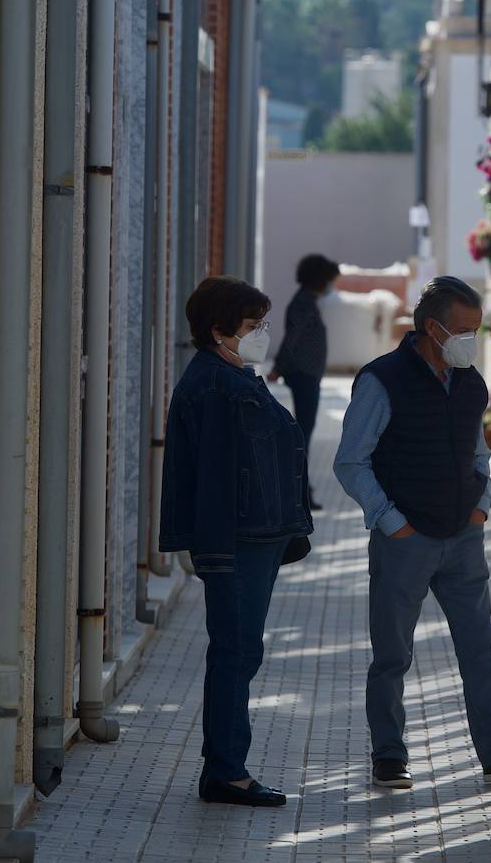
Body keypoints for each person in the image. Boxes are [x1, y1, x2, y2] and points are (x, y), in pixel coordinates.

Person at [333, 275, 491, 790]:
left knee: (481, 649)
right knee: (392, 654)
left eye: (476, 330)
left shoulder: (469, 381)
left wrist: (482, 506)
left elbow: (478, 452)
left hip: (462, 538)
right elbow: (350, 461)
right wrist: (392, 522)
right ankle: (388, 754)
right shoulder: (382, 380)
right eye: (464, 330)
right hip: (406, 540)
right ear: (432, 328)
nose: (472, 340)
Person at [159, 276, 314, 808]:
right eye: (252, 326)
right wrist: (216, 554)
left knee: (242, 650)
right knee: (236, 651)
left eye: (263, 324)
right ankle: (226, 771)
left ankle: (227, 767)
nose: (261, 334)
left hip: (260, 538)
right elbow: (216, 480)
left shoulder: (235, 376)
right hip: (238, 543)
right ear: (218, 330)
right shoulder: (215, 387)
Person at [269, 253, 341, 510]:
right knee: (303, 434)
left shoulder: (307, 302)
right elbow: (293, 339)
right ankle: (298, 491)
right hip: (303, 376)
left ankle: (301, 490)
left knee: (304, 433)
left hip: (307, 375)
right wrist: (278, 367)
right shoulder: (302, 304)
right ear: (319, 279)